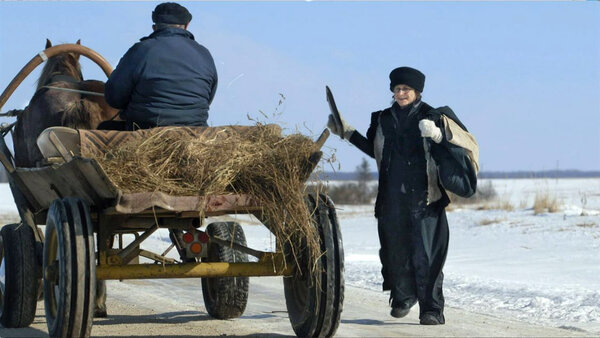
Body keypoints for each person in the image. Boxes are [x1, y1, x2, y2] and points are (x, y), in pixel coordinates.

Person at [327, 66, 479, 325]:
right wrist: (347, 132)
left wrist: (438, 134)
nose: (400, 93)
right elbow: (374, 149)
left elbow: (463, 142)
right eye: (397, 89)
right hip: (392, 197)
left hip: (426, 198)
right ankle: (404, 297)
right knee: (395, 252)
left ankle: (431, 309)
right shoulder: (383, 119)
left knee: (426, 256)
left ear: (417, 91)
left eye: (405, 89)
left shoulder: (434, 116)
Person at [105, 2, 218, 130]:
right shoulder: (204, 53)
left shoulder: (140, 50)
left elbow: (114, 98)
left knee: (104, 127)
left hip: (146, 131)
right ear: (187, 26)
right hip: (195, 131)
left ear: (154, 27)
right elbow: (208, 98)